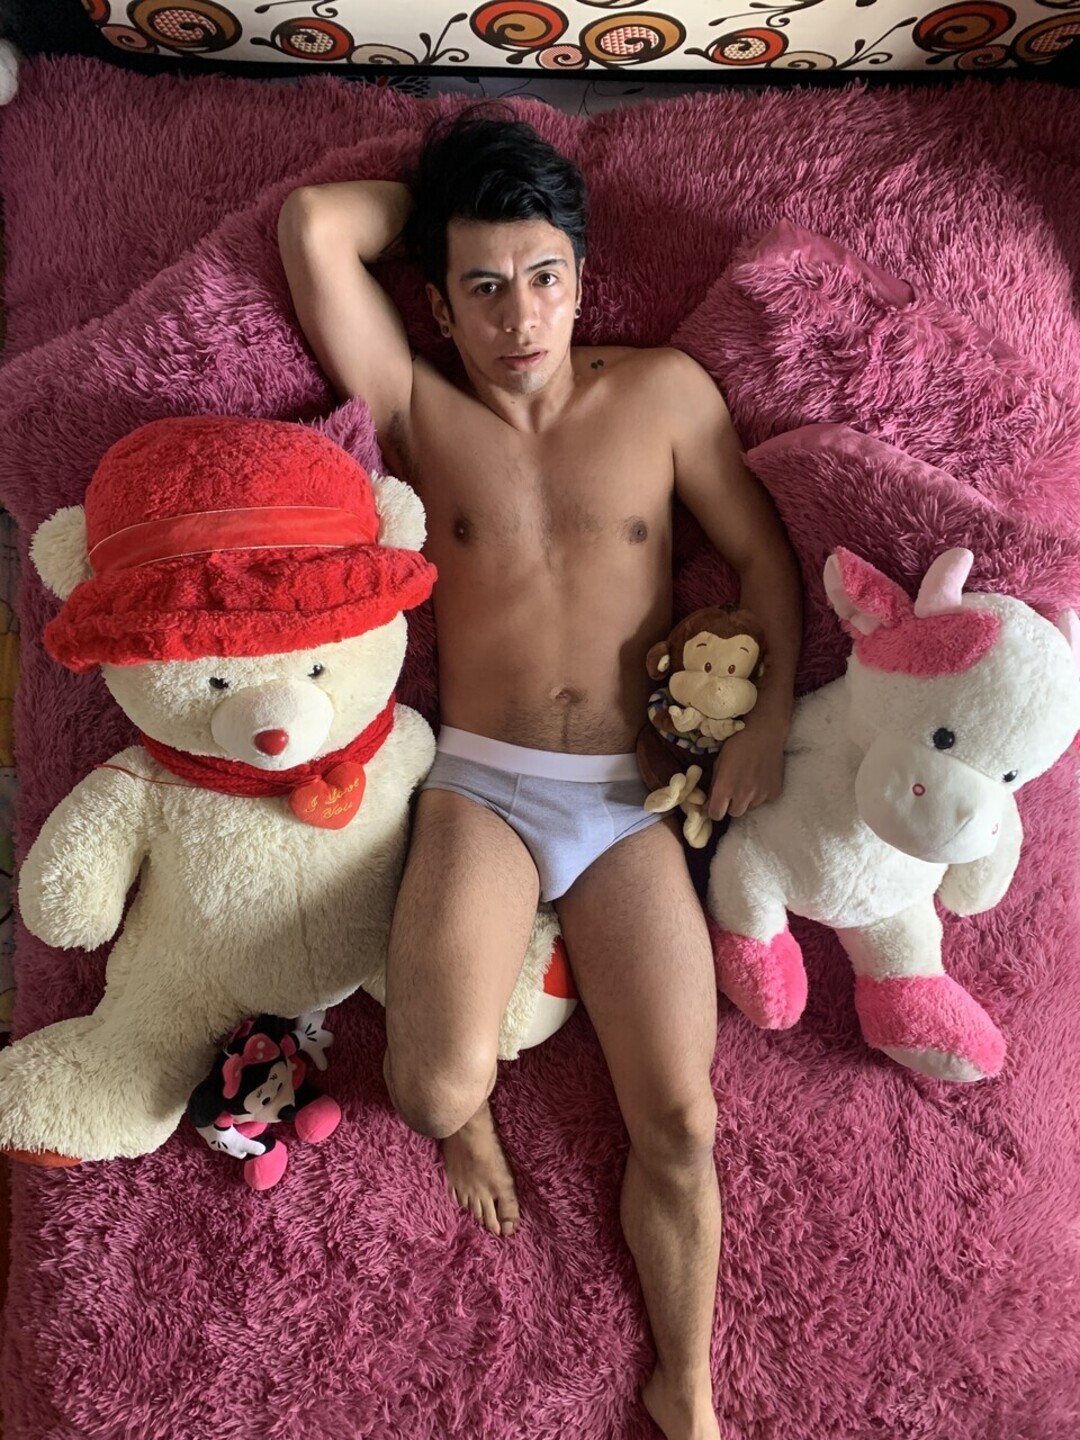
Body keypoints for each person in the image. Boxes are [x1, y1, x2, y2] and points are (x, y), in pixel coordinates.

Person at [278, 108, 801, 1440]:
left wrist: (765, 720)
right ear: (440, 307)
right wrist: (445, 206)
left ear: (582, 273)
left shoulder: (664, 393)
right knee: (430, 1088)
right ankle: (471, 1115)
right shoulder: (422, 406)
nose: (523, 316)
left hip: (632, 802)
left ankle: (685, 1385)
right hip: (485, 789)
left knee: (681, 1122)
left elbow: (761, 560)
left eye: (545, 275)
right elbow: (314, 227)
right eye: (485, 287)